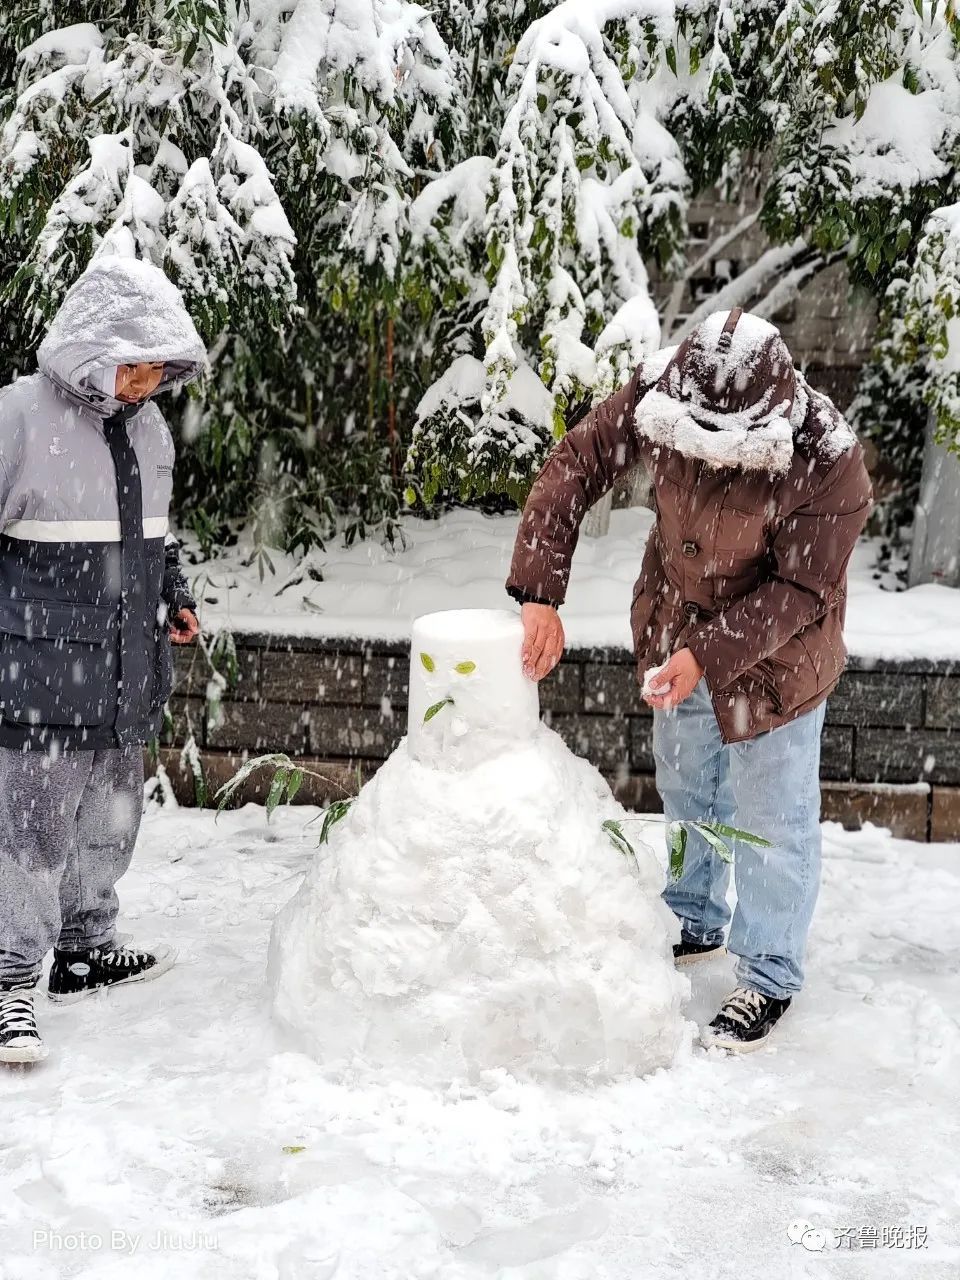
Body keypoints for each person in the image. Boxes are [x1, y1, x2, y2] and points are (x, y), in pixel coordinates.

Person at [506, 307, 872, 1052]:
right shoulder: (660, 389)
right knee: (685, 782)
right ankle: (692, 916)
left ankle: (767, 971)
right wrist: (540, 593)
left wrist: (708, 653)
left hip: (779, 658)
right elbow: (577, 463)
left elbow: (802, 592)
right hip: (676, 623)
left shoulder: (829, 459)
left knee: (771, 816)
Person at [0, 256, 206, 1064]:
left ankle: (85, 951)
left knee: (110, 823)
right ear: (92, 348)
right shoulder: (18, 416)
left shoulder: (150, 430)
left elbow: (154, 540)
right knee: (29, 835)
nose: (149, 379)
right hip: (39, 674)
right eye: (135, 361)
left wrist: (173, 597)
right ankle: (9, 979)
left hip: (126, 672)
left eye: (160, 365)